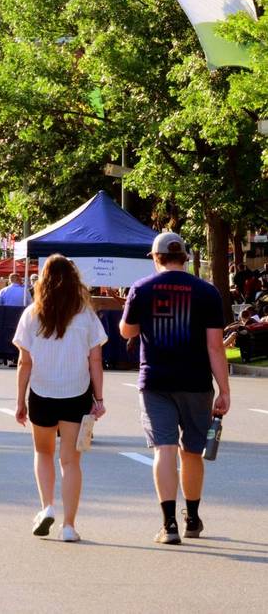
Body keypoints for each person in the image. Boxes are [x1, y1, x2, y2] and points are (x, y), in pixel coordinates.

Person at [119, 232, 230, 545]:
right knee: (192, 451)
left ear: (156, 258)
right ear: (185, 256)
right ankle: (192, 518)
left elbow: (127, 329)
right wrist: (224, 389)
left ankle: (168, 525)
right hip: (196, 383)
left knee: (164, 449)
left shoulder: (142, 288)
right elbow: (215, 347)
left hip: (156, 381)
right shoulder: (207, 291)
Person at [11, 254, 107, 542]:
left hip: (41, 392)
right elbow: (96, 360)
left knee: (43, 453)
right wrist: (99, 398)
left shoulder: (31, 315)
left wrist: (20, 401)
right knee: (71, 462)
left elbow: (23, 362)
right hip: (77, 394)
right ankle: (69, 526)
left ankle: (47, 507)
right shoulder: (86, 315)